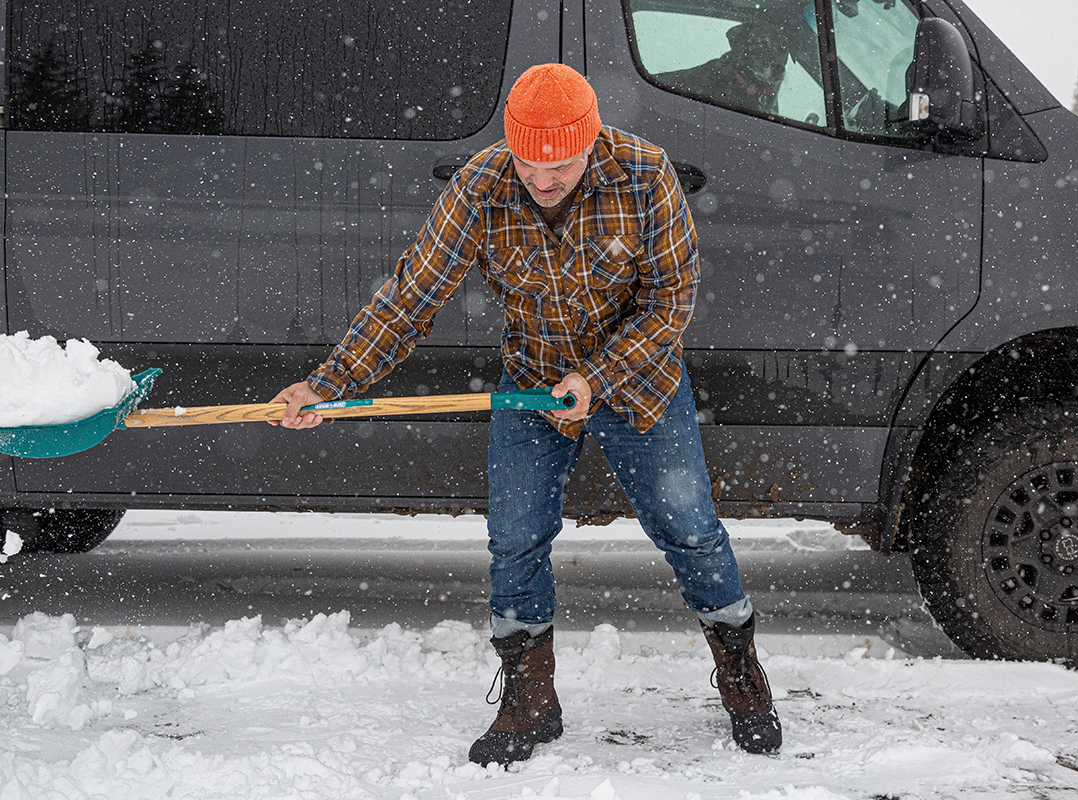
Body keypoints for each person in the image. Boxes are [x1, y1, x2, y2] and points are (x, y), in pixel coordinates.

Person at [270, 63, 781, 766]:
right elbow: (410, 296)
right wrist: (329, 383)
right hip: (532, 382)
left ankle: (742, 675)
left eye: (561, 165)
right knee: (514, 539)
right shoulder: (481, 186)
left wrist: (597, 375)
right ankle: (530, 699)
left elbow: (672, 301)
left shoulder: (644, 174)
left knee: (690, 530)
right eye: (530, 163)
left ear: (591, 143)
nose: (543, 180)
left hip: (639, 382)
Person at [655, 19, 790, 115]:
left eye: (782, 49)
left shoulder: (745, 87)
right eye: (761, 48)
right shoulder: (718, 85)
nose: (777, 62)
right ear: (742, 49)